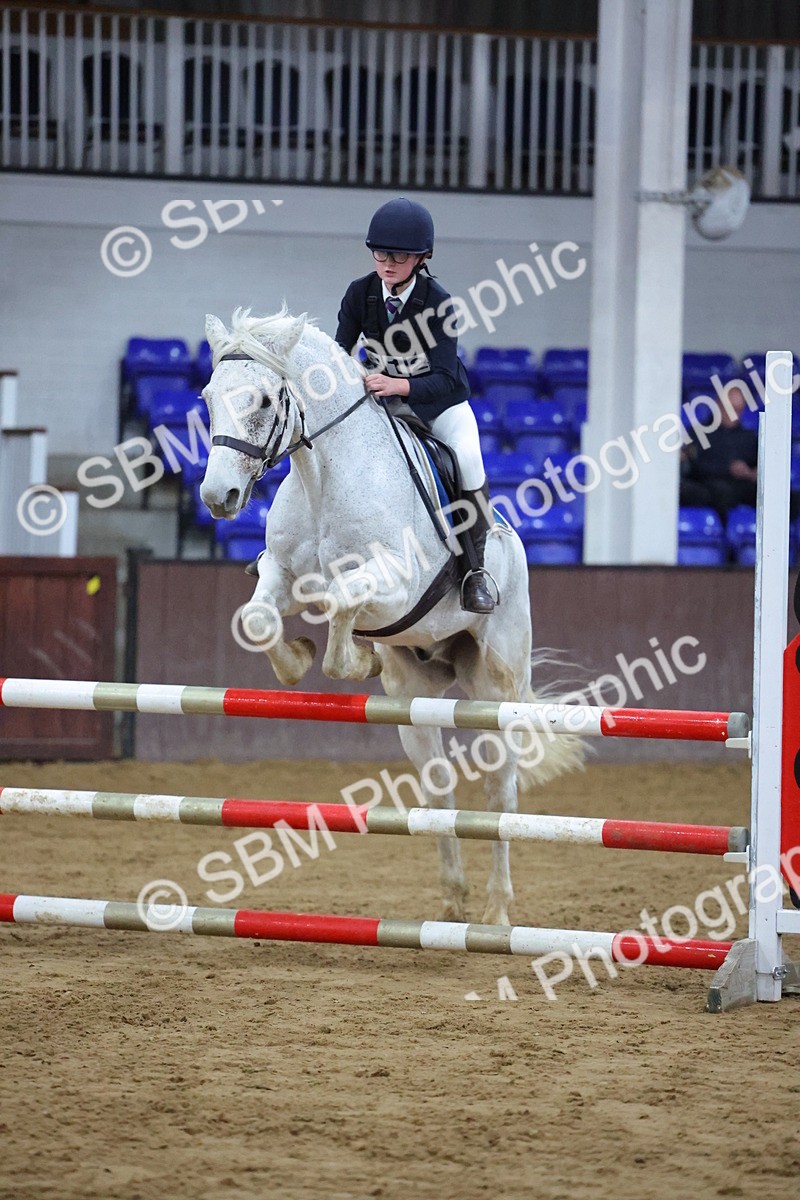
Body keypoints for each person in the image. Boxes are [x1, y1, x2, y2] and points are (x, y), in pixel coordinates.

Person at [335, 197, 498, 614]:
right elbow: (339, 352)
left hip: (438, 406)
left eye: (400, 256)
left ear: (421, 258)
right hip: (383, 405)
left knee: (467, 460)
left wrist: (395, 383)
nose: (388, 263)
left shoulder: (439, 303)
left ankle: (474, 571)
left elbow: (443, 378)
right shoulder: (360, 293)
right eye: (381, 253)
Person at [680, 386, 759, 519]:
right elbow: (693, 465)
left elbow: (760, 464)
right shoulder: (698, 432)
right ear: (717, 404)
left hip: (742, 486)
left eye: (737, 409)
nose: (732, 414)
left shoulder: (749, 437)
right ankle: (726, 535)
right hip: (710, 485)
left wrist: (754, 472)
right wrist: (728, 469)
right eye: (728, 408)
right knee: (718, 492)